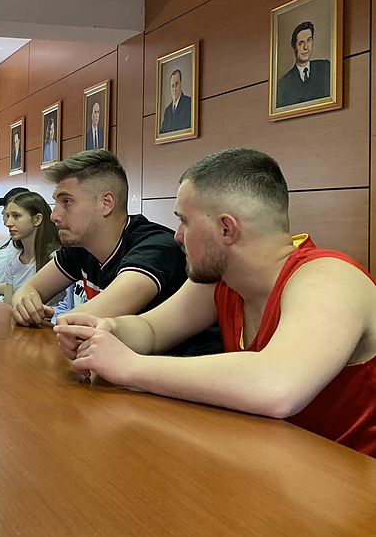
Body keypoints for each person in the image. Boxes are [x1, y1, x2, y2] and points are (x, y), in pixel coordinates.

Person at [54, 148, 375, 456]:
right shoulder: (222, 279)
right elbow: (150, 329)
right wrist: (105, 329)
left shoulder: (329, 278)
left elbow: (276, 386)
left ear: (226, 228)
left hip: (353, 482)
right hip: (279, 461)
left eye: (185, 221)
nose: (177, 235)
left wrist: (129, 366)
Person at [11, 151, 197, 339]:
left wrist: (55, 315)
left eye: (66, 202)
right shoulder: (82, 245)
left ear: (106, 203)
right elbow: (27, 290)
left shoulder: (155, 248)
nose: (54, 216)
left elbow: (80, 322)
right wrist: (26, 302)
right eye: (56, 202)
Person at [0, 191, 59, 302]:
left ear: (37, 219)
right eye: (8, 216)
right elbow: (8, 303)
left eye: (16, 216)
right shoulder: (13, 258)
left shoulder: (54, 258)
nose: (8, 223)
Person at [275, 21, 331, 108]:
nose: (306, 47)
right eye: (301, 43)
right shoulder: (283, 85)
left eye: (309, 40)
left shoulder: (326, 68)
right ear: (294, 47)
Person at [159, 69, 193, 134]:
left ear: (181, 84)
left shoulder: (189, 103)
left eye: (177, 84)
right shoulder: (167, 111)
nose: (174, 89)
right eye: (172, 86)